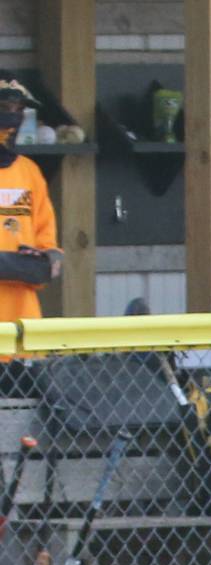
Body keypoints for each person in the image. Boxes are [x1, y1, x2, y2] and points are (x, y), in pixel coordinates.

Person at [0, 77, 61, 400]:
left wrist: (43, 262)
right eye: (5, 108)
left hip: (22, 333)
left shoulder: (30, 172)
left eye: (18, 109)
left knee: (20, 432)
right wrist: (16, 264)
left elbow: (49, 257)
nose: (13, 118)